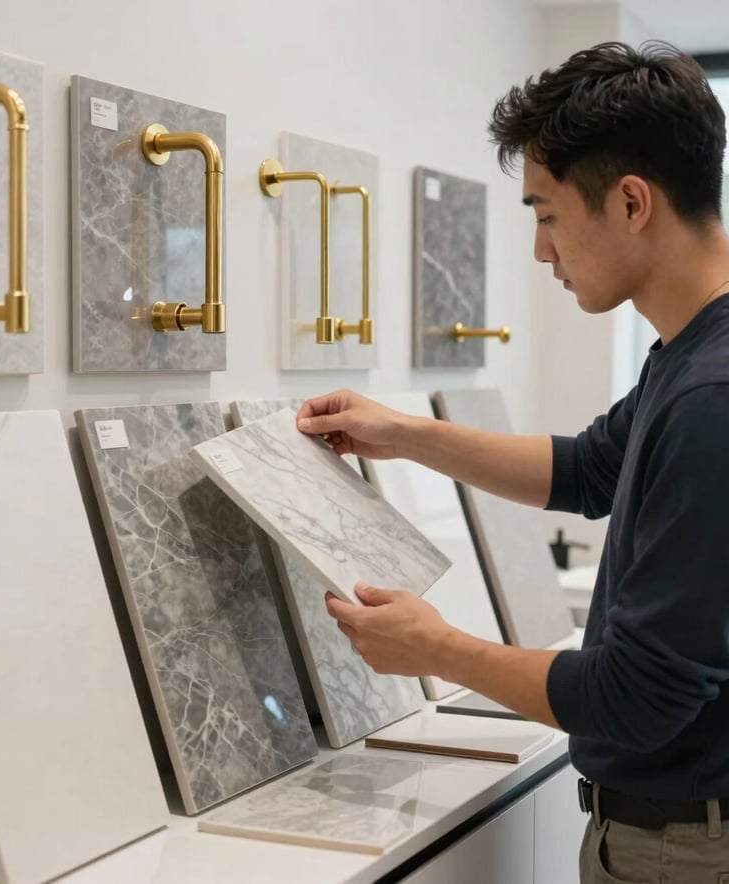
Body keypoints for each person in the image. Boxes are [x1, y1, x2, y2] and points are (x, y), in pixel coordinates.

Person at [296, 41, 729, 884]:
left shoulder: (712, 396)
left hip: (688, 851)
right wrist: (406, 434)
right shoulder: (690, 356)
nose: (541, 250)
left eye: (546, 215)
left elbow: (637, 699)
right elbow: (588, 470)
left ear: (631, 202)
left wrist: (438, 648)